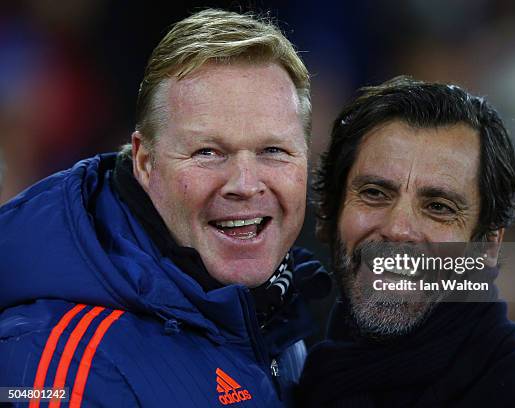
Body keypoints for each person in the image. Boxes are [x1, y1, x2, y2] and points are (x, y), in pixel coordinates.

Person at [0, 9, 329, 407]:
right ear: (144, 162)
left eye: (274, 151)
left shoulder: (277, 315)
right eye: (207, 152)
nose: (245, 184)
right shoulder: (56, 362)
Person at [297, 76, 515, 407]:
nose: (398, 229)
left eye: (438, 208)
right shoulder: (298, 371)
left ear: (488, 246)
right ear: (327, 215)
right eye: (375, 193)